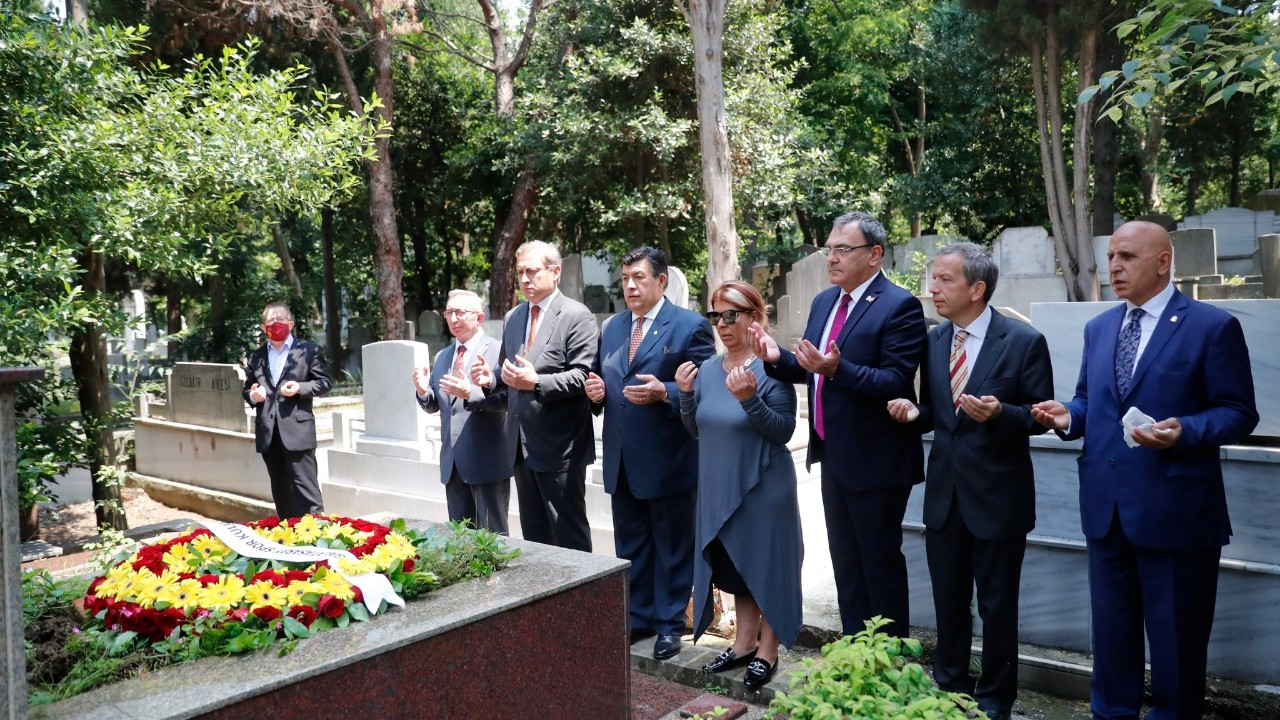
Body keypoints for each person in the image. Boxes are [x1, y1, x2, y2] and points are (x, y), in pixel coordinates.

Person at [1031, 221, 1258, 720]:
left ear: (1162, 262)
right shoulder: (1100, 327)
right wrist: (1068, 415)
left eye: (1128, 257)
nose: (1114, 266)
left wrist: (1186, 430)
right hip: (1108, 510)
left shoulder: (1211, 326)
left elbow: (1239, 412)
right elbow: (1093, 402)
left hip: (1177, 512)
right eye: (1111, 256)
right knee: (1111, 635)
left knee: (1177, 642)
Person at [886, 243, 1053, 720]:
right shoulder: (936, 340)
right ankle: (951, 686)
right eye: (932, 280)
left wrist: (1003, 413)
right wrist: (914, 413)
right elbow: (937, 413)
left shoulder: (1022, 342)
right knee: (949, 600)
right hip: (944, 496)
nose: (932, 289)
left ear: (977, 289)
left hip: (998, 497)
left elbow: (1041, 417)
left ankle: (997, 698)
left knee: (999, 606)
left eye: (943, 280)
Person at [750, 210, 926, 639]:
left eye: (843, 249)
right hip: (832, 455)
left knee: (877, 563)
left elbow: (895, 380)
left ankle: (888, 662)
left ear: (875, 254)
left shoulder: (898, 305)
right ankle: (853, 654)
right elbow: (813, 369)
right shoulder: (825, 301)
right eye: (828, 249)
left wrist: (836, 371)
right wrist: (777, 359)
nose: (831, 258)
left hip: (877, 459)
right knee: (845, 562)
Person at [584, 247, 715, 660]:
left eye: (639, 277)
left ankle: (669, 624)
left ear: (661, 281)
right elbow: (609, 381)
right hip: (623, 457)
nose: (630, 285)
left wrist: (667, 393)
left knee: (672, 546)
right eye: (625, 278)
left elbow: (708, 385)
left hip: (669, 458)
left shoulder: (689, 326)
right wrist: (597, 395)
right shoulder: (615, 326)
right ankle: (637, 617)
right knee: (632, 544)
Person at [677, 280, 802, 691]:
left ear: (754, 317)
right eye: (716, 316)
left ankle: (769, 649)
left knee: (767, 567)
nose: (723, 324)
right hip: (720, 486)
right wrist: (684, 395)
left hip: (763, 487)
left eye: (732, 315)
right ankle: (744, 641)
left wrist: (751, 400)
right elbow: (698, 430)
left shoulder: (771, 367)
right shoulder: (710, 369)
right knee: (736, 569)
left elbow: (783, 431)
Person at [470, 240, 599, 551]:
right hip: (519, 445)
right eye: (520, 273)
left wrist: (536, 382)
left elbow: (583, 375)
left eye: (532, 271)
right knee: (535, 537)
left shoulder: (576, 315)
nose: (524, 279)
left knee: (568, 536)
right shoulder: (515, 316)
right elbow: (508, 369)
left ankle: (583, 600)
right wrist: (491, 379)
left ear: (555, 272)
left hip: (559, 445)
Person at [413, 289, 512, 534]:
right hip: (453, 463)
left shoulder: (499, 351)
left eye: (460, 312)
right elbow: (437, 404)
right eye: (449, 312)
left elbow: (509, 400)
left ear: (479, 317)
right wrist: (423, 392)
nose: (453, 319)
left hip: (486, 461)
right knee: (459, 540)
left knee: (494, 538)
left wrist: (473, 394)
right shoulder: (444, 355)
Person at [243, 302, 332, 519]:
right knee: (281, 493)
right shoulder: (256, 356)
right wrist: (253, 396)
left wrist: (300, 388)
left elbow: (325, 382)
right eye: (271, 321)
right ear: (264, 328)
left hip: (297, 432)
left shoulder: (308, 350)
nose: (276, 324)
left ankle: (316, 541)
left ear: (290, 324)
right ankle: (289, 540)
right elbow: (248, 389)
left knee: (306, 492)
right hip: (269, 434)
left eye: (281, 319)